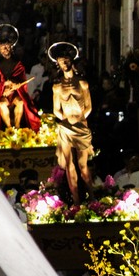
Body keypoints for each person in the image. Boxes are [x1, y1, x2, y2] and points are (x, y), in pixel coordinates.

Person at [50, 41, 95, 205]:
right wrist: (65, 121)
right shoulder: (57, 86)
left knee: (83, 165)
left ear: (71, 61)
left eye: (67, 61)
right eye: (61, 62)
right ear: (58, 65)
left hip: (81, 126)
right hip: (66, 127)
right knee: (69, 165)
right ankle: (76, 201)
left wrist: (80, 120)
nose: (64, 64)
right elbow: (56, 109)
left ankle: (92, 196)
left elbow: (89, 106)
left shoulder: (82, 83)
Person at [0, 25, 40, 131]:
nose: (5, 49)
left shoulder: (17, 62)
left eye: (7, 46)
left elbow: (21, 78)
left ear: (11, 47)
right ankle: (9, 129)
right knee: (2, 104)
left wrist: (14, 83)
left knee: (20, 102)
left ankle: (16, 127)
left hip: (16, 93)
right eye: (3, 47)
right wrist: (4, 85)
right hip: (3, 93)